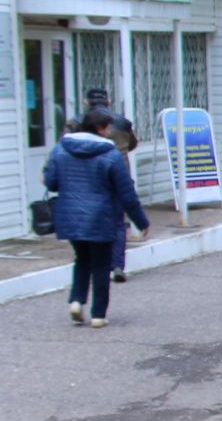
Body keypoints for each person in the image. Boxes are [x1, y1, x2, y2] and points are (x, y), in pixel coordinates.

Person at [43, 108, 150, 328]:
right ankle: (98, 315)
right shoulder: (110, 154)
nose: (111, 131)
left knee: (82, 259)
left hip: (70, 215)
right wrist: (141, 221)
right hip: (101, 216)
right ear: (100, 128)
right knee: (101, 265)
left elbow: (52, 183)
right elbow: (125, 192)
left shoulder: (61, 149)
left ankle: (76, 301)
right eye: (108, 126)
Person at [84, 90, 138, 283]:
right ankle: (117, 265)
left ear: (86, 102)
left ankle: (94, 263)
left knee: (90, 219)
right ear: (108, 101)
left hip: (91, 177)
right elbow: (132, 144)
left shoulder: (78, 122)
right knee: (118, 222)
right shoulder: (123, 122)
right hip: (120, 176)